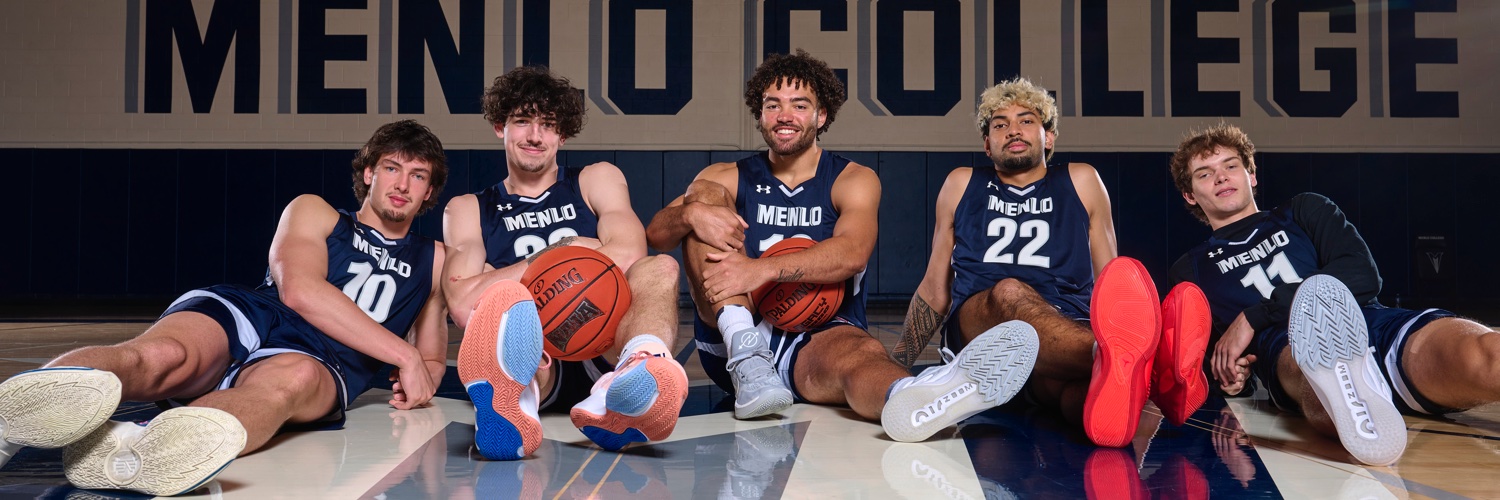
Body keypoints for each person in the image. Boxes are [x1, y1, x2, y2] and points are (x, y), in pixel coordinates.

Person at [0, 120, 451, 495]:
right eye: (392, 168)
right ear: (369, 173)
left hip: (323, 359)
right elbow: (298, 290)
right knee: (157, 357)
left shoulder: (434, 260)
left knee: (287, 382)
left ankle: (134, 449)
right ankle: (8, 421)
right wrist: (403, 355)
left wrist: (420, 378)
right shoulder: (315, 211)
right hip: (254, 311)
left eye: (418, 175)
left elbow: (430, 359)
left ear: (429, 192)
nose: (402, 183)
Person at [645, 49, 1037, 442]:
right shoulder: (725, 175)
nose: (785, 116)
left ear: (821, 116)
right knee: (703, 197)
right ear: (760, 114)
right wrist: (689, 215)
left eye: (800, 105)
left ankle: (917, 397)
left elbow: (852, 252)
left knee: (861, 358)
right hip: (734, 334)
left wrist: (761, 269)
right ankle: (746, 351)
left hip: (820, 331)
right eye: (773, 105)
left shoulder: (852, 179)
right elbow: (656, 235)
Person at [892, 77, 1212, 447]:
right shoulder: (962, 182)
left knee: (1073, 393)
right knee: (1010, 291)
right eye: (999, 125)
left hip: (1063, 325)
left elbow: (1112, 284)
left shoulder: (1081, 179)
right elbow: (935, 288)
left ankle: (1121, 401)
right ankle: (1138, 364)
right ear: (987, 144)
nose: (1013, 129)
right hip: (984, 324)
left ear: (1049, 137)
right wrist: (898, 367)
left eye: (1026, 120)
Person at [1169, 123, 1500, 466]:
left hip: (1374, 323)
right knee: (1313, 375)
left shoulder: (1303, 211)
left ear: (1251, 175)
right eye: (1205, 174)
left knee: (1485, 355)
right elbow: (1217, 363)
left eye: (1231, 165)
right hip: (1287, 350)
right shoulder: (1191, 270)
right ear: (1190, 195)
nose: (1221, 177)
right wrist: (1231, 378)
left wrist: (1256, 315)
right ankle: (1351, 394)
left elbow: (1361, 275)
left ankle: (1360, 389)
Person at [442, 65, 686, 460]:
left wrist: (503, 274)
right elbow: (462, 301)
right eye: (522, 121)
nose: (535, 136)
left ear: (563, 133)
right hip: (540, 353)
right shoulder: (469, 208)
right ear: (499, 126)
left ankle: (634, 376)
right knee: (504, 302)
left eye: (548, 124)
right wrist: (567, 248)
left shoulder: (594, 179)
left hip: (606, 342)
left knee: (660, 268)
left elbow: (628, 253)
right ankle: (514, 406)